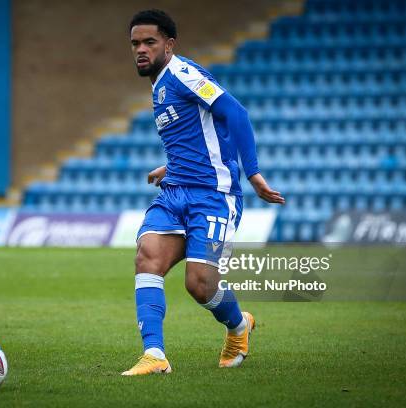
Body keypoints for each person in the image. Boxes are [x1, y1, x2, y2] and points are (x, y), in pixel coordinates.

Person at [122, 9, 285, 376]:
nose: (141, 50)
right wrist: (171, 165)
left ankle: (239, 326)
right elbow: (197, 132)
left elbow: (235, 113)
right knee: (147, 256)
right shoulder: (159, 83)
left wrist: (254, 174)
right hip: (176, 191)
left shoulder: (183, 74)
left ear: (169, 44)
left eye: (149, 42)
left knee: (200, 285)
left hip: (213, 196)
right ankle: (155, 355)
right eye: (135, 43)